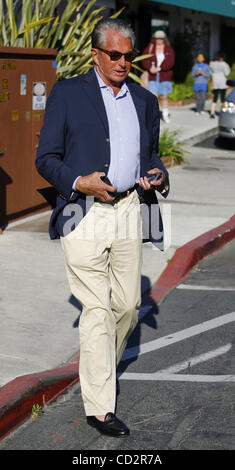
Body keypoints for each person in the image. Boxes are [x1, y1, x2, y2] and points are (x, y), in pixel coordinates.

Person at [35, 18, 169, 438]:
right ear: (96, 54)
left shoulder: (145, 100)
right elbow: (46, 157)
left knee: (127, 307)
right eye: (114, 54)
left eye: (129, 55)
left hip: (130, 210)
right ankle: (100, 407)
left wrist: (157, 174)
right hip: (83, 211)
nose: (123, 61)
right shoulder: (68, 93)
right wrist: (79, 182)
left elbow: (153, 155)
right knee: (95, 310)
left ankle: (97, 371)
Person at [141, 30, 175, 123]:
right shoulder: (150, 47)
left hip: (164, 76)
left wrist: (160, 68)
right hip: (152, 76)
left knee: (164, 96)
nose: (159, 40)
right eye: (157, 38)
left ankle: (165, 114)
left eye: (161, 38)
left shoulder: (168, 49)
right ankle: (154, 115)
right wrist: (150, 68)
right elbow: (144, 59)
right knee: (153, 97)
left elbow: (171, 62)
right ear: (154, 38)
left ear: (164, 39)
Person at [209, 51, 230, 118]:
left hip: (215, 82)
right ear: (221, 58)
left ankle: (212, 113)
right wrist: (228, 66)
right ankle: (223, 112)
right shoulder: (223, 64)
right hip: (222, 83)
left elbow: (210, 73)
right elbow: (227, 73)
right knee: (223, 99)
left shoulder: (211, 64)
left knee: (215, 98)